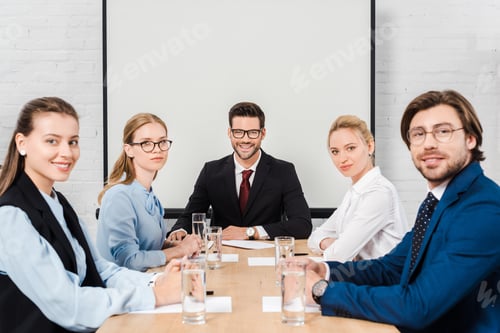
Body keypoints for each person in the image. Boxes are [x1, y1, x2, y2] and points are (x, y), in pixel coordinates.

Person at [302, 90, 500, 332]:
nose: (428, 143)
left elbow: (418, 306)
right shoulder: (438, 201)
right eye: (418, 134)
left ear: (471, 138)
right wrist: (327, 270)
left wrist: (322, 290)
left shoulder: (483, 208)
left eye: (443, 131)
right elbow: (392, 268)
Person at [0, 97, 183, 333]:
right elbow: (68, 305)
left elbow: (101, 270)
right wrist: (154, 296)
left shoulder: (58, 202)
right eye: (52, 141)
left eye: (73, 141)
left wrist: (158, 282)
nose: (66, 152)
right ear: (22, 143)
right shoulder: (11, 217)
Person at [168, 101, 312, 241]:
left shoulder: (284, 171)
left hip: (265, 256)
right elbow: (189, 216)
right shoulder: (210, 171)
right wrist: (179, 230)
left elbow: (302, 224)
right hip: (221, 255)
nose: (245, 139)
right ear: (229, 133)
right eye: (238, 132)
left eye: (253, 133)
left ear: (263, 133)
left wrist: (251, 232)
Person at [96, 113, 200, 271]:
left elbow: (148, 245)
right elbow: (130, 260)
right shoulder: (119, 196)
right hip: (122, 290)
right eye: (146, 143)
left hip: (148, 280)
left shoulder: (149, 194)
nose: (157, 149)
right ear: (129, 149)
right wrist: (180, 250)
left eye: (162, 142)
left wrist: (172, 245)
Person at [307, 115, 409, 262]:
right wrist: (331, 243)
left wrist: (337, 248)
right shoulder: (354, 192)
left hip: (381, 282)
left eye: (350, 148)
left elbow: (338, 256)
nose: (342, 158)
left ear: (370, 146)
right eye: (335, 151)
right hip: (361, 277)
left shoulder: (378, 193)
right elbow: (315, 237)